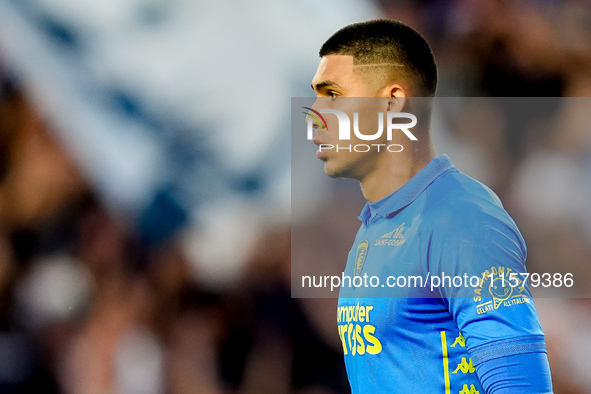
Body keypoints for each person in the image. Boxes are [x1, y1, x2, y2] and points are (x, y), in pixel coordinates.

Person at [308, 20, 553, 393]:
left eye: (333, 95)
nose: (313, 114)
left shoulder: (461, 219)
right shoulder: (374, 225)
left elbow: (522, 387)